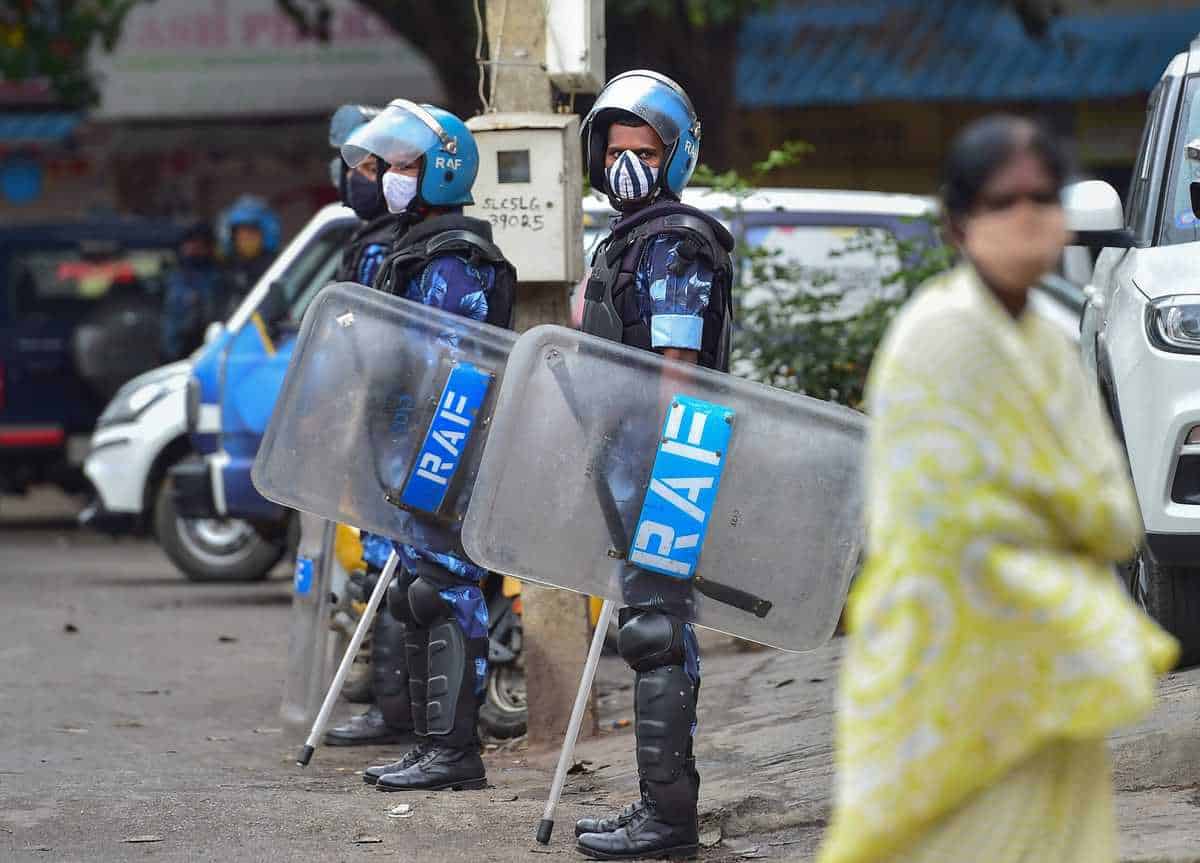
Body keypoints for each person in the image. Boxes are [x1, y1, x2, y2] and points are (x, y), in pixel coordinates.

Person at [816, 116, 1179, 863]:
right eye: (1002, 201)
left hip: (1044, 684)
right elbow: (946, 525)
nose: (1026, 217)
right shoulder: (938, 336)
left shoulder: (1049, 337)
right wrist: (1061, 514)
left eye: (1042, 198)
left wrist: (1045, 506)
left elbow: (1116, 513)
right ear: (958, 223)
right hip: (946, 673)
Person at [573, 70, 735, 861]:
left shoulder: (673, 241)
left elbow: (676, 366)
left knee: (656, 634)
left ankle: (667, 821)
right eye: (615, 151)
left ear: (674, 157)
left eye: (643, 150)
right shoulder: (633, 238)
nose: (625, 165)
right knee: (651, 629)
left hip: (667, 460)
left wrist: (664, 475)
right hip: (633, 459)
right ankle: (659, 805)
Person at [338, 99, 516, 792]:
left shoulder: (456, 258)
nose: (390, 176)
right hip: (406, 448)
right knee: (418, 593)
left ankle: (454, 752)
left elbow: (453, 371)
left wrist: (434, 460)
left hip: (443, 449)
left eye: (405, 165)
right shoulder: (413, 248)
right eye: (388, 164)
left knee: (445, 592)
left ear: (442, 170)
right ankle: (428, 742)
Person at [315, 103, 420, 750]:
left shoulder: (389, 244)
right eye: (355, 167)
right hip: (377, 424)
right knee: (380, 562)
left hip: (393, 426)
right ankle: (394, 705)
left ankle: (395, 710)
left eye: (372, 168)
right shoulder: (377, 239)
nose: (360, 178)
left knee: (392, 562)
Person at [161, 221, 225, 361]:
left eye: (200, 244)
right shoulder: (175, 276)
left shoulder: (218, 277)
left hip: (205, 350)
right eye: (190, 243)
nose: (193, 248)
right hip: (175, 351)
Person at [217, 195, 280, 307]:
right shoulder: (227, 270)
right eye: (240, 234)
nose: (245, 238)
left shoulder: (276, 267)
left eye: (251, 233)